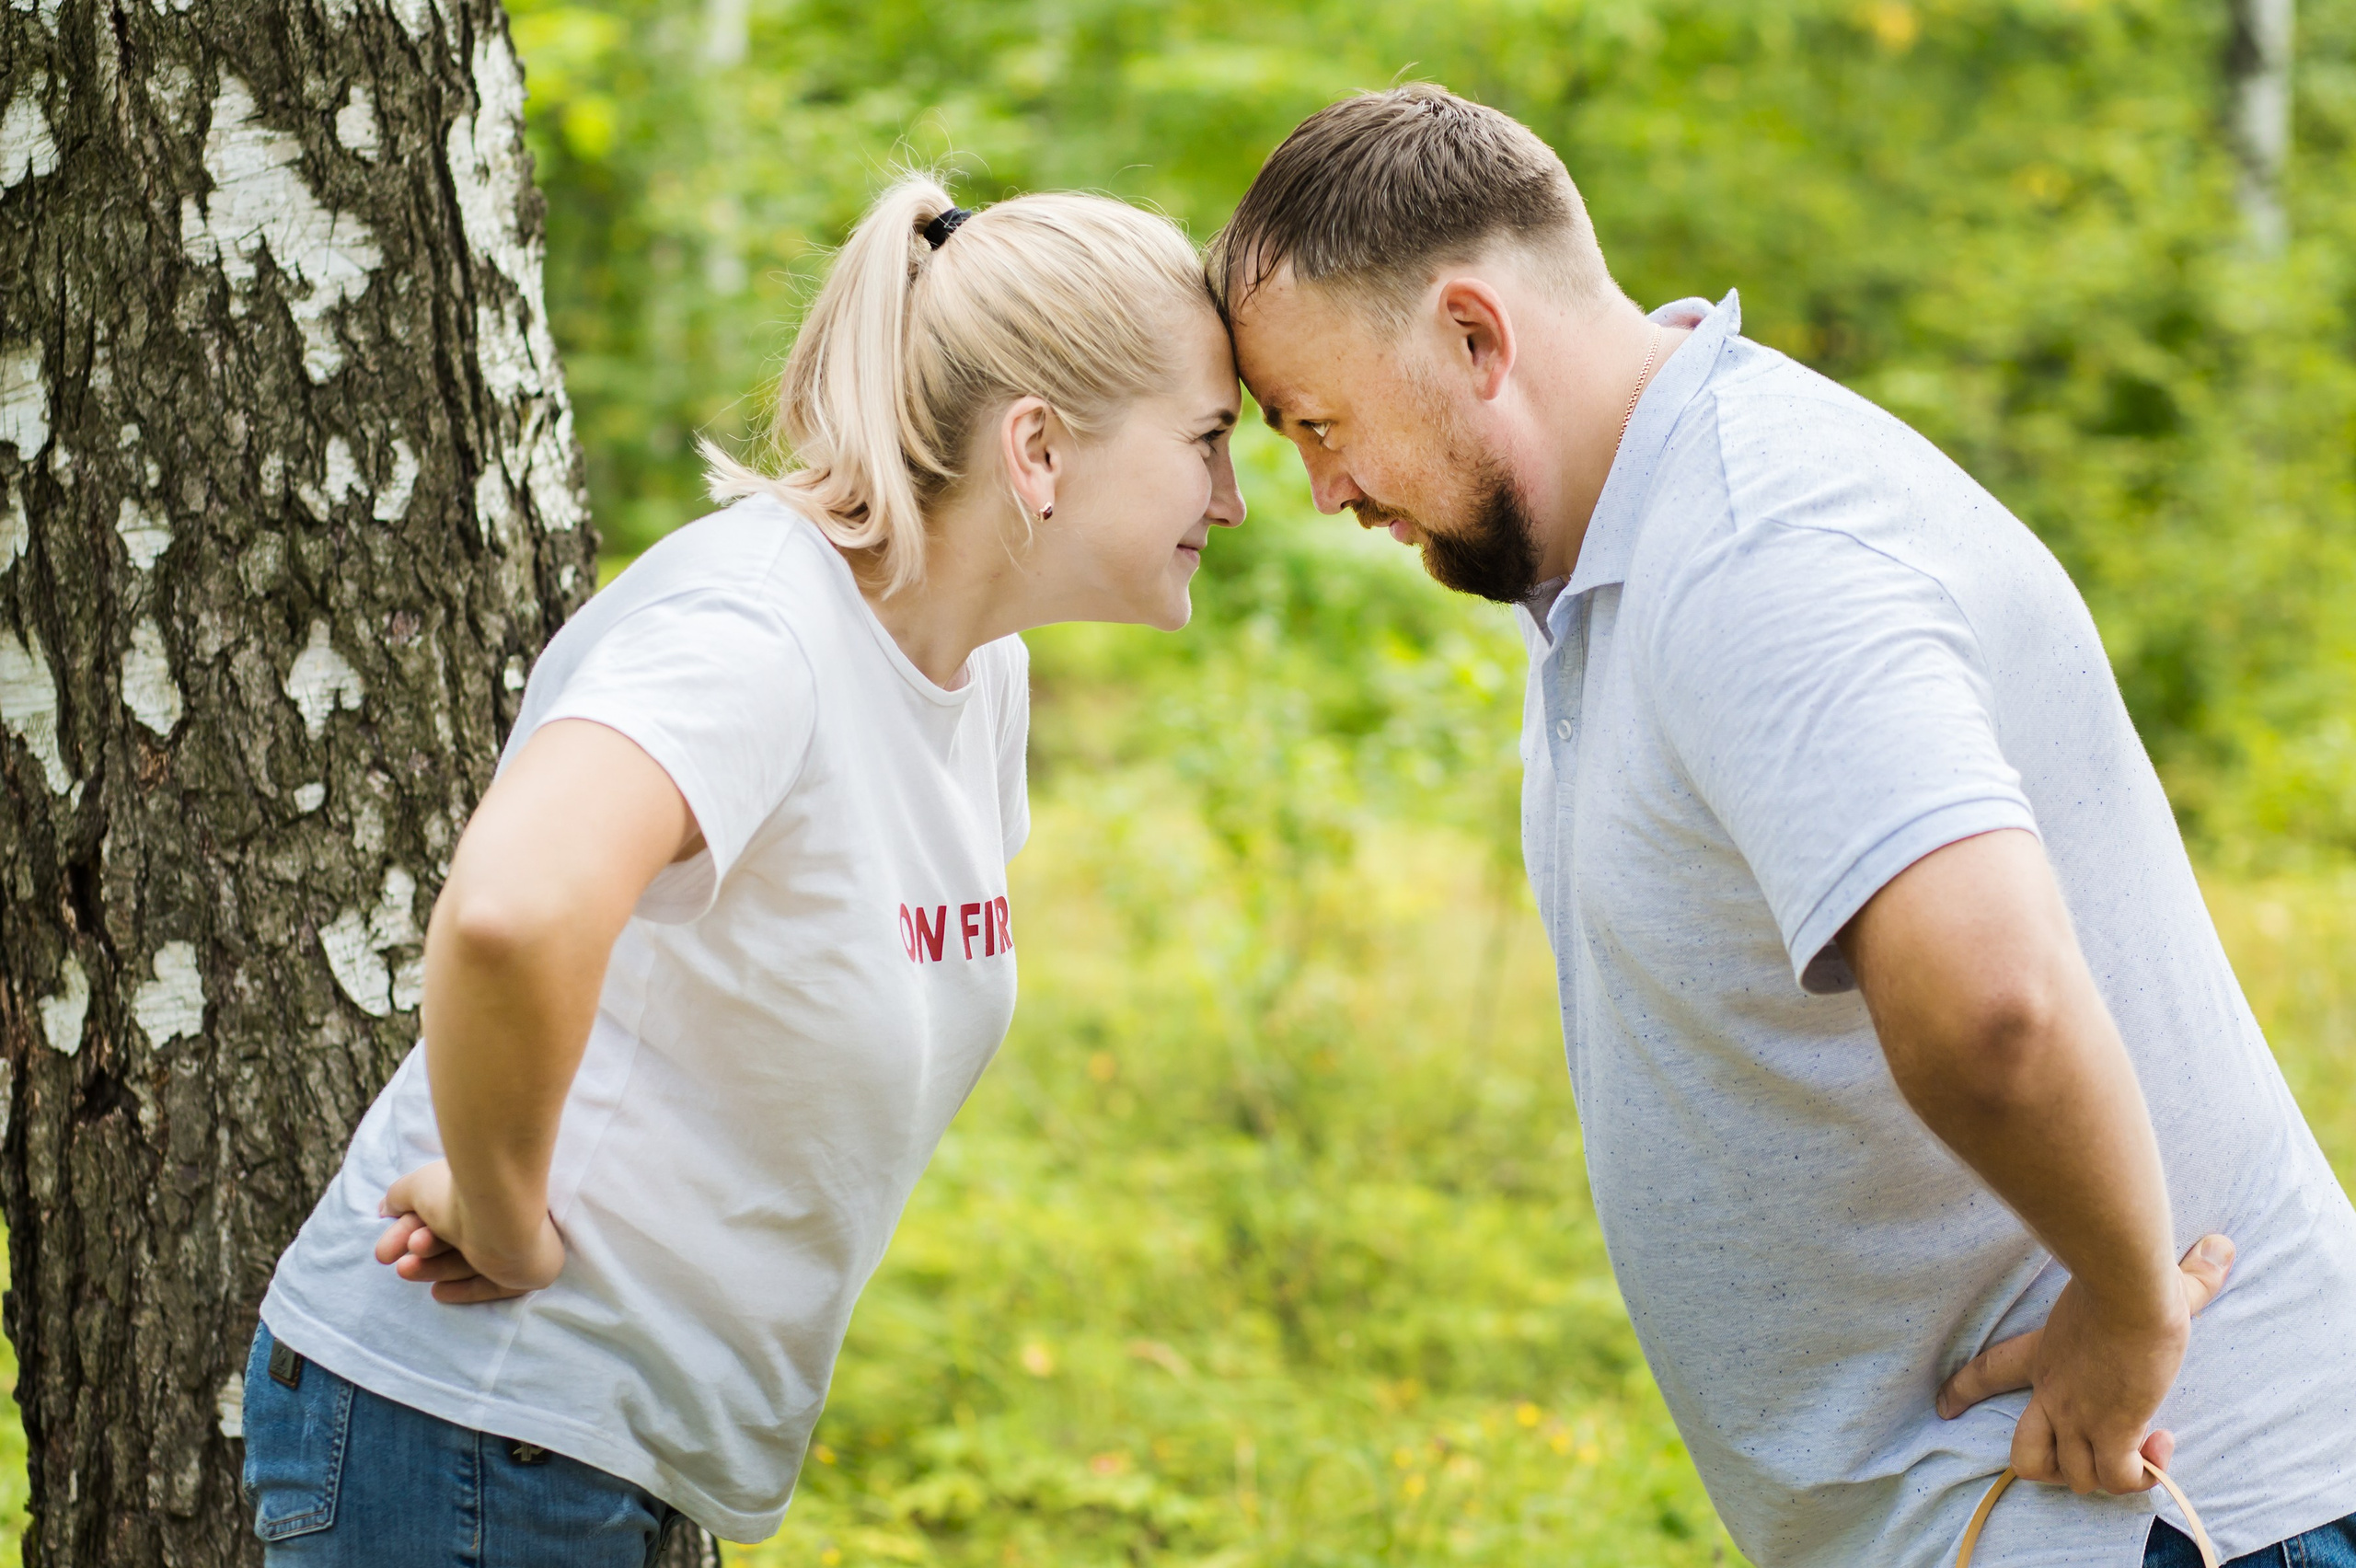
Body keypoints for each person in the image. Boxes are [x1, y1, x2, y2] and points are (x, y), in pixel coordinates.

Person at [1212, 86, 2356, 1568]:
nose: (1321, 487)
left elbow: (1994, 1004)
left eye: (1321, 421)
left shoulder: (1758, 544)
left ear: (1477, 340)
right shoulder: (1622, 549)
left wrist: (2133, 1307)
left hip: (2137, 1506)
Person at [243, 175, 1244, 1562]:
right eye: (1207, 440)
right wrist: (504, 1217)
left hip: (593, 1460)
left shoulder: (976, 676)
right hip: (475, 1433)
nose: (1235, 497)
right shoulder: (753, 634)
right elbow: (512, 914)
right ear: (1039, 450)